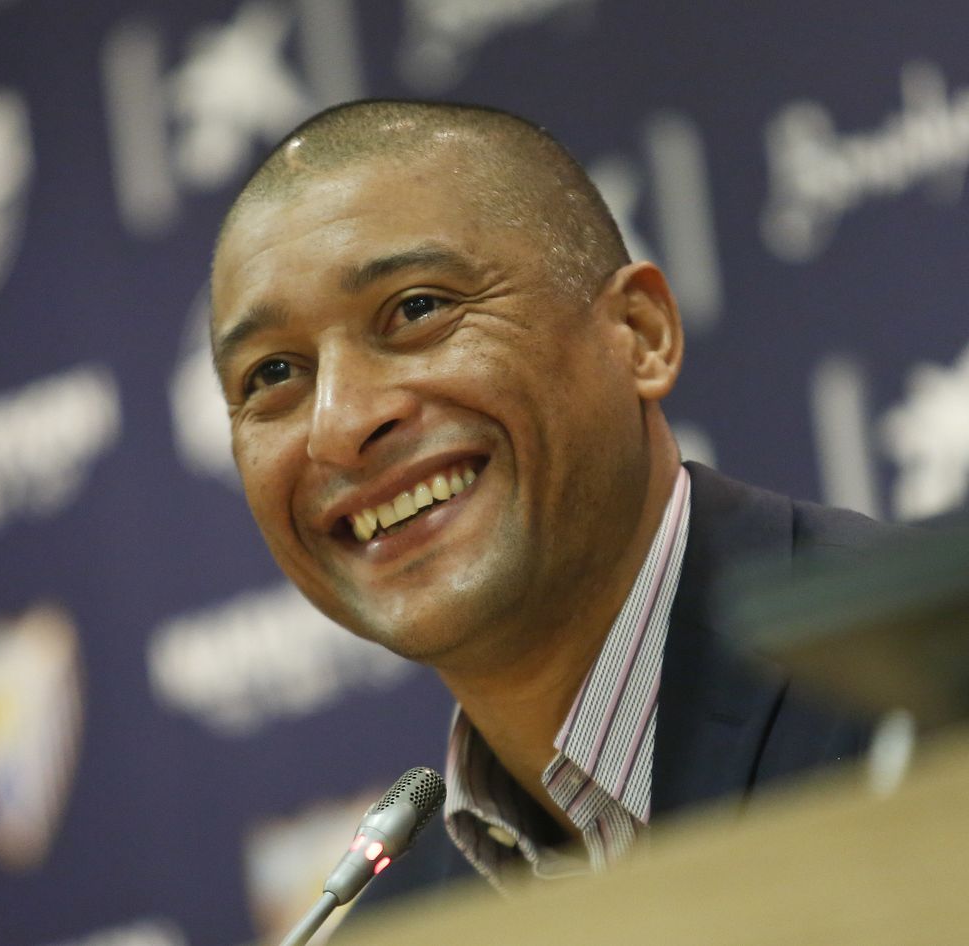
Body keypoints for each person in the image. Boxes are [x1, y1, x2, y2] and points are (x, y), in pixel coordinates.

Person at [209, 99, 905, 901]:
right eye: (272, 375)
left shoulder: (928, 688)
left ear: (639, 335)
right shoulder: (397, 916)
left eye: (417, 309)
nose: (338, 426)